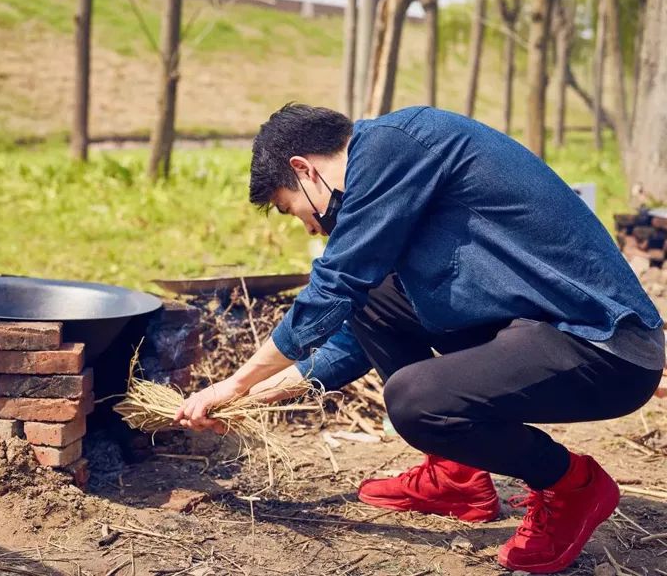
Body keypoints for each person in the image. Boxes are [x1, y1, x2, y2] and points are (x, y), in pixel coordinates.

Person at [174, 104, 664, 574]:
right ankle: (457, 475)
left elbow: (334, 284)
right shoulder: (396, 180)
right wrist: (252, 400)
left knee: (414, 400)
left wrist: (233, 384)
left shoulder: (393, 146)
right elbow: (353, 327)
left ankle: (571, 484)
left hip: (602, 345)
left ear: (303, 169)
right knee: (373, 296)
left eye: (293, 210)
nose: (308, 228)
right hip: (538, 332)